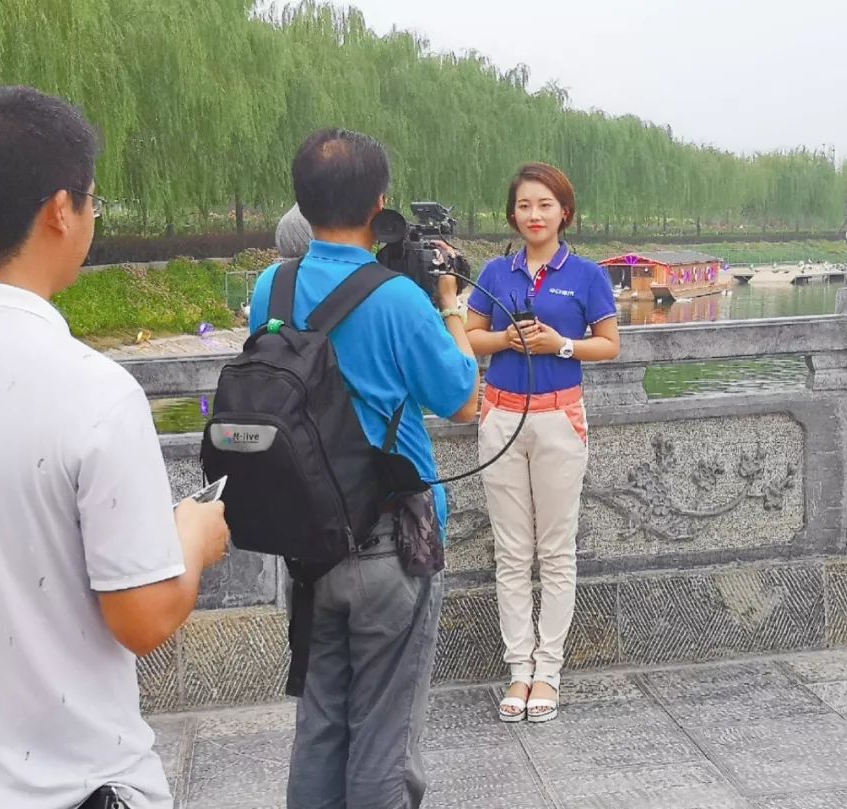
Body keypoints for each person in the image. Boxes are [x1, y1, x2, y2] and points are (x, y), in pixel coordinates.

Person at [0, 86, 230, 809]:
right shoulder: (93, 392)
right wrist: (192, 538)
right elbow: (142, 616)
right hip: (69, 785)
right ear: (61, 210)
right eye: (93, 201)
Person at [247, 128, 479, 808]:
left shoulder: (272, 286)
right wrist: (453, 308)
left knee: (321, 723)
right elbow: (463, 400)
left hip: (310, 542)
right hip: (392, 545)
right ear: (381, 203)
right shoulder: (398, 298)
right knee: (384, 734)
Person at [466, 163, 620, 723]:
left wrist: (560, 344)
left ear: (565, 213)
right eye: (525, 205)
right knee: (511, 552)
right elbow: (471, 337)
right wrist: (504, 338)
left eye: (545, 205)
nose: (534, 215)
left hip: (559, 420)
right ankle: (518, 669)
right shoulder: (494, 271)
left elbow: (609, 346)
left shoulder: (584, 275)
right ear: (513, 213)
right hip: (501, 417)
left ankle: (548, 672)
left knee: (555, 551)